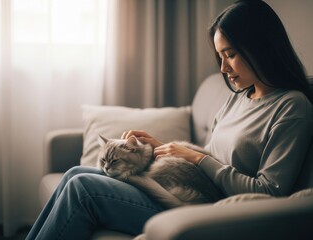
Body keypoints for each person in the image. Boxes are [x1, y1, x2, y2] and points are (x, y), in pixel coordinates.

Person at [26, 0, 313, 239]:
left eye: (231, 55)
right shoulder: (239, 96)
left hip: (211, 209)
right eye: (220, 56)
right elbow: (213, 159)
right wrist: (162, 148)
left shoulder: (291, 107)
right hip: (193, 187)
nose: (223, 68)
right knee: (75, 173)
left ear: (261, 47)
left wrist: (198, 159)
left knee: (82, 189)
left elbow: (270, 193)